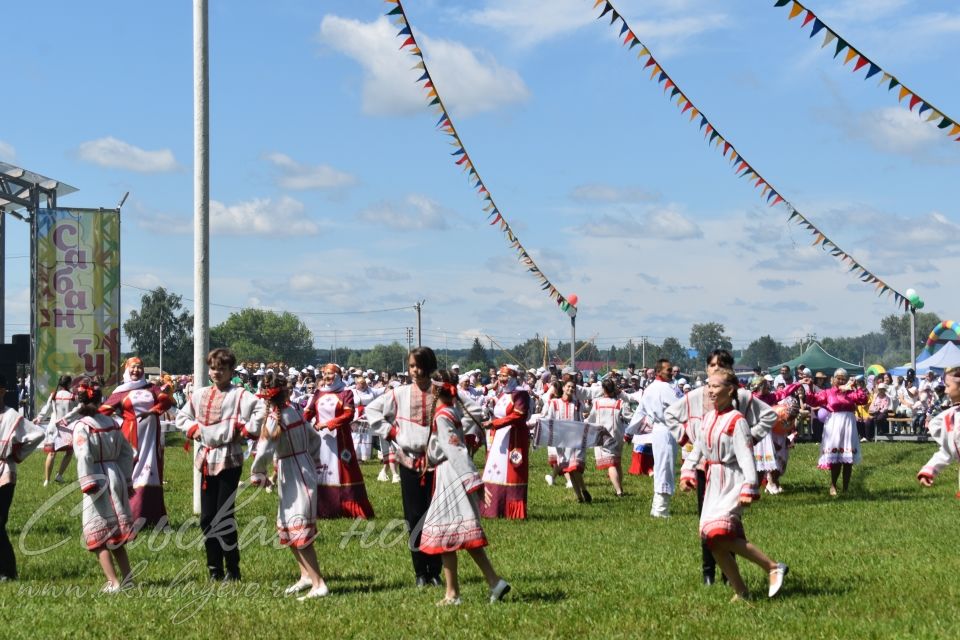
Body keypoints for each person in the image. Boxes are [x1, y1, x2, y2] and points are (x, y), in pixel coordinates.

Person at [664, 349, 777, 585]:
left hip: (733, 470)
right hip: (707, 467)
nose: (716, 368)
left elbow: (768, 416)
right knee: (707, 524)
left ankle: (735, 575)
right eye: (712, 365)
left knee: (725, 525)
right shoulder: (696, 396)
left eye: (721, 364)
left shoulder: (742, 400)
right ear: (706, 369)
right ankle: (709, 573)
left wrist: (750, 438)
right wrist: (687, 440)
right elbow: (670, 415)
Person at [679, 368, 788, 601]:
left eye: (715, 386)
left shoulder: (736, 421)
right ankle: (741, 591)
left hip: (733, 479)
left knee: (719, 532)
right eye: (708, 386)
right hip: (713, 482)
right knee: (711, 539)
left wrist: (750, 486)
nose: (710, 390)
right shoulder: (709, 418)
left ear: (730, 390)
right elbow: (698, 448)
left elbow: (746, 454)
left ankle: (772, 567)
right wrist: (687, 471)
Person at [420, 369, 510, 606]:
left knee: (447, 533)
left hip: (451, 475)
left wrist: (473, 480)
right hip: (450, 472)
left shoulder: (443, 414)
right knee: (453, 535)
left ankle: (455, 593)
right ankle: (490, 583)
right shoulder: (452, 411)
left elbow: (455, 449)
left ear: (434, 389)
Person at [177, 348, 266, 582]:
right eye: (213, 368)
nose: (216, 372)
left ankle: (232, 568)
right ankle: (213, 568)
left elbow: (261, 409)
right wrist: (194, 429)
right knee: (207, 517)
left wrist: (246, 430)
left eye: (222, 368)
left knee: (224, 514)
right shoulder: (200, 394)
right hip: (207, 458)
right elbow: (182, 417)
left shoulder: (239, 394)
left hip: (229, 457)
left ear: (230, 371)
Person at [366, 347, 444, 587]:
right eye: (411, 366)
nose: (415, 371)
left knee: (436, 516)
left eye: (419, 366)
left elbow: (466, 413)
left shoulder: (441, 392)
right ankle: (420, 571)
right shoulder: (399, 393)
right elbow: (371, 410)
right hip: (409, 462)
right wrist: (391, 431)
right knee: (414, 516)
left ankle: (436, 569)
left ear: (429, 367)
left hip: (437, 463)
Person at [249, 371, 328, 601]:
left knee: (298, 527)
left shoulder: (275, 419)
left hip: (293, 472)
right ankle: (305, 576)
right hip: (301, 468)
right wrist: (312, 459)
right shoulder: (294, 411)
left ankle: (318, 583)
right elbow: (314, 438)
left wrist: (257, 473)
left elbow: (263, 450)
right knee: (288, 524)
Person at [70, 377, 137, 593]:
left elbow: (84, 455)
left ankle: (113, 582)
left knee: (99, 536)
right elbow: (128, 452)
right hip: (115, 475)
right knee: (116, 535)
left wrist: (87, 481)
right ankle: (128, 579)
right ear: (100, 400)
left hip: (96, 479)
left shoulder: (82, 426)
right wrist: (126, 478)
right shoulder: (111, 423)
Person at [99, 357, 173, 529]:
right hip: (129, 437)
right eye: (133, 367)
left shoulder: (151, 388)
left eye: (139, 367)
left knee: (151, 472)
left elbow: (166, 401)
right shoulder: (121, 391)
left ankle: (152, 517)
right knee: (128, 471)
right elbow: (103, 411)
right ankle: (125, 516)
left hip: (151, 437)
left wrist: (152, 412)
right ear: (126, 369)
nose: (136, 371)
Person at [303, 364, 374, 520]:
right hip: (320, 440)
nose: (327, 377)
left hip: (340, 440)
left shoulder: (345, 393)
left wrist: (328, 424)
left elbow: (349, 414)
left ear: (338, 375)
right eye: (324, 374)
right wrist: (297, 424)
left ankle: (347, 507)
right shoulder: (318, 393)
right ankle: (322, 507)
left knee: (345, 471)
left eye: (330, 374)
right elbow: (308, 412)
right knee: (320, 470)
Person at [0, 374, 45, 580]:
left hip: (4, 474)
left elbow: (37, 434)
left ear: (2, 392)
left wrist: (16, 454)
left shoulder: (11, 416)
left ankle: (7, 572)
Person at [804, 368, 868, 496]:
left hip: (848, 425)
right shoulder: (828, 392)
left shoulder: (850, 393)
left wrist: (857, 387)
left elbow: (863, 399)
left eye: (843, 379)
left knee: (847, 459)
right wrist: (810, 387)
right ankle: (833, 485)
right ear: (833, 380)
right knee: (836, 459)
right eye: (838, 378)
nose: (841, 381)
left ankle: (846, 488)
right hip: (834, 425)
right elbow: (812, 400)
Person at [479, 365, 531, 519]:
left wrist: (495, 423)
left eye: (505, 376)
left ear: (513, 377)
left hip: (514, 439)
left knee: (512, 472)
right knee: (494, 471)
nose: (501, 379)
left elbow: (518, 416)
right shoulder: (503, 394)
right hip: (499, 439)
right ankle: (492, 508)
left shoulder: (520, 394)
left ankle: (512, 511)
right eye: (500, 376)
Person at [633, 359, 681, 517]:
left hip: (660, 431)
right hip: (666, 429)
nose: (671, 372)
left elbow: (640, 410)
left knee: (662, 466)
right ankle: (661, 509)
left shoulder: (651, 388)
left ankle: (657, 507)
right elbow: (681, 406)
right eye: (668, 370)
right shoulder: (664, 388)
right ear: (659, 371)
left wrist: (630, 430)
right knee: (665, 467)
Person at [541, 380, 590, 503]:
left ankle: (584, 490)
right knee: (569, 469)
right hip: (561, 441)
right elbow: (549, 419)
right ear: (563, 388)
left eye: (573, 387)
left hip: (575, 439)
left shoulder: (577, 403)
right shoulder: (555, 403)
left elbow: (581, 419)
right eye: (568, 386)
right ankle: (579, 496)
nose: (570, 389)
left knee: (575, 467)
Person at [585, 378, 631, 497]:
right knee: (617, 462)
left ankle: (619, 491)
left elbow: (591, 419)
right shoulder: (619, 403)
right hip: (617, 435)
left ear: (603, 389)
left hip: (603, 436)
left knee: (611, 464)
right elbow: (628, 417)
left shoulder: (598, 403)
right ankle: (620, 487)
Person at [916, 367, 960, 487]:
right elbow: (948, 450)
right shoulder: (950, 417)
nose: (945, 391)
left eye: (948, 386)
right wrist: (928, 471)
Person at [36, 374, 81, 486]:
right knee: (69, 452)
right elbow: (78, 411)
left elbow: (46, 409)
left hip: (53, 427)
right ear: (69, 383)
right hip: (67, 427)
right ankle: (59, 475)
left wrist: (39, 418)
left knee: (51, 453)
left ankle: (47, 480)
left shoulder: (54, 395)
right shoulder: (73, 396)